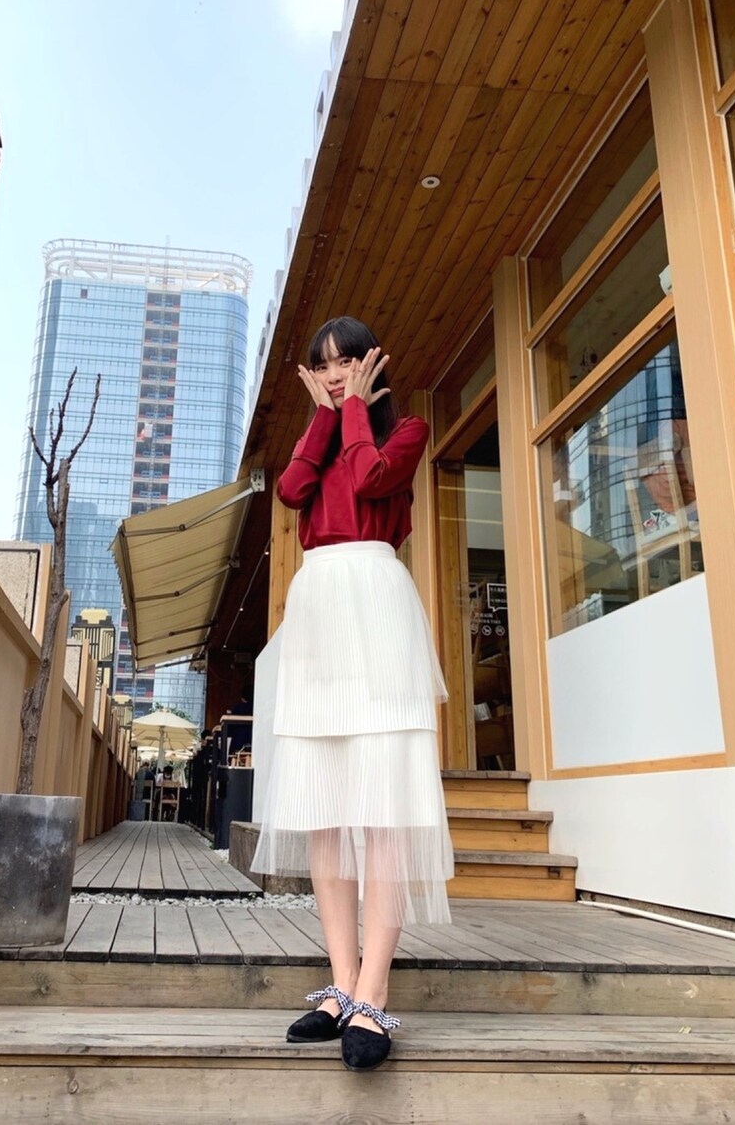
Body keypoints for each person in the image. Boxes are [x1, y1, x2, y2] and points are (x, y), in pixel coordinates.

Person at [251, 316, 453, 1071]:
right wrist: (323, 420)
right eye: (324, 365)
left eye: (347, 361)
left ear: (374, 362)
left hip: (377, 606)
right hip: (319, 613)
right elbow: (291, 490)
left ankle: (374, 989)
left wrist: (356, 411)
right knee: (325, 813)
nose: (335, 373)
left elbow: (371, 480)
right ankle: (340, 984)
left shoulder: (407, 431)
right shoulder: (323, 432)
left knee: (384, 812)